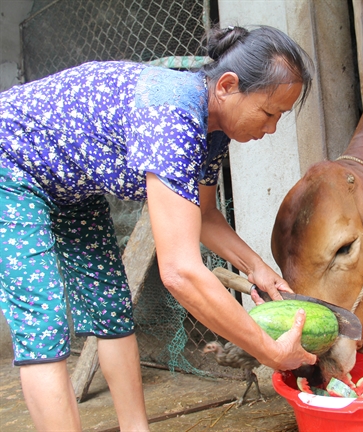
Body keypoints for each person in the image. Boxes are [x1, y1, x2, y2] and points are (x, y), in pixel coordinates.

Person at [0, 24, 317, 431]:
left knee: (112, 309)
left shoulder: (214, 129)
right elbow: (180, 272)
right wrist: (270, 351)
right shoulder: (173, 115)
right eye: (269, 111)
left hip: (71, 187)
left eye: (281, 117)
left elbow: (202, 214)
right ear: (226, 86)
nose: (271, 127)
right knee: (44, 320)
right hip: (11, 163)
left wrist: (256, 268)